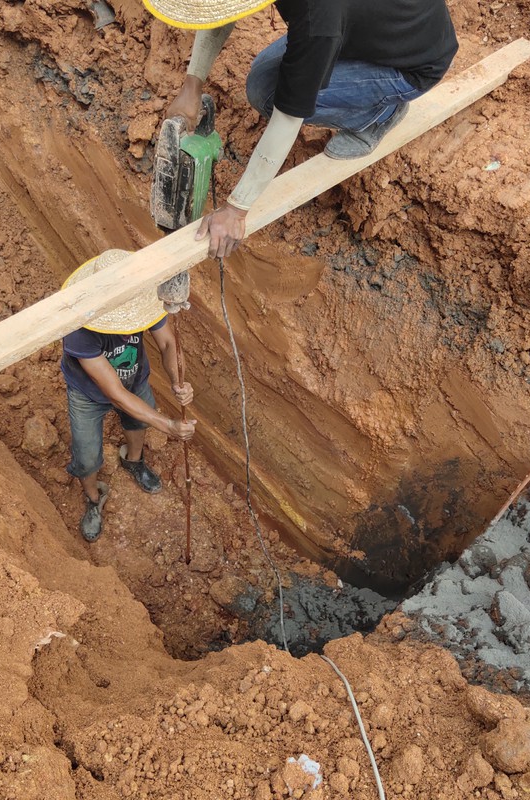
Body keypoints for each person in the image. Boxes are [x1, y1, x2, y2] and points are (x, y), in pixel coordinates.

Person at [143, 0, 458, 259]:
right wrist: (192, 84)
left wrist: (236, 209)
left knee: (271, 95)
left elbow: (288, 117)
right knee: (262, 84)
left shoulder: (317, 21)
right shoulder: (318, 21)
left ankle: (379, 115)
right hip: (371, 26)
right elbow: (220, 8)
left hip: (408, 64)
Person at [61, 249, 197, 542]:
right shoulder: (78, 329)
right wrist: (169, 426)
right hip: (88, 395)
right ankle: (93, 498)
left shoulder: (147, 300)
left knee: (139, 421)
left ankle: (133, 461)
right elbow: (116, 395)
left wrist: (178, 381)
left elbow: (168, 345)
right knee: (86, 457)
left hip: (134, 378)